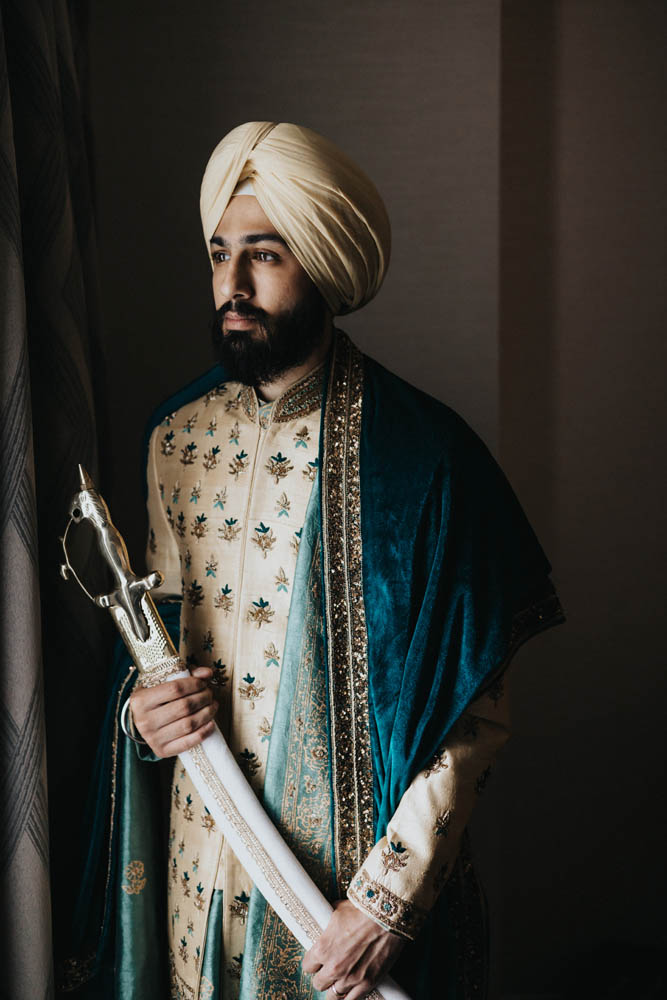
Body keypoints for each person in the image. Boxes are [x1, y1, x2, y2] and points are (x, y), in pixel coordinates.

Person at [61, 122, 564, 1000]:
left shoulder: (425, 461)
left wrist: (384, 907)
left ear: (325, 266)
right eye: (220, 255)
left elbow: (469, 718)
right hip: (195, 885)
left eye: (265, 255)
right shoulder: (175, 439)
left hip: (339, 905)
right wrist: (144, 718)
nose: (233, 285)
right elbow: (152, 655)